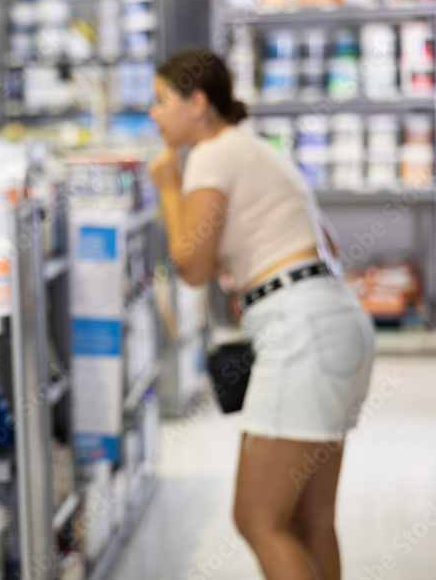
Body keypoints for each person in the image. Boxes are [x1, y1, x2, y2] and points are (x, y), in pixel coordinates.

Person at [147, 48, 375, 580]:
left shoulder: (210, 153)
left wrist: (167, 186)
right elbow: (329, 242)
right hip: (336, 321)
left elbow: (191, 264)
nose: (153, 114)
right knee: (311, 519)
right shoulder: (254, 148)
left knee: (258, 518)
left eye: (161, 101)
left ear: (198, 103)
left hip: (301, 332)